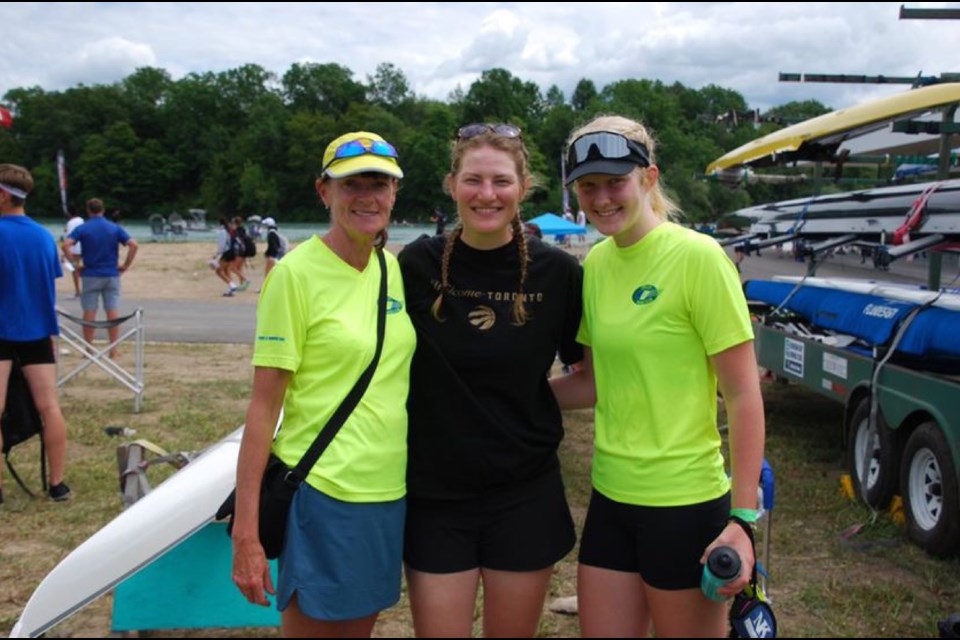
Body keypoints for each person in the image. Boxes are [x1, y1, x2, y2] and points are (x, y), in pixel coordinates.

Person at [550, 115, 765, 638]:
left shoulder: (698, 258)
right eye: (588, 186)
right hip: (611, 498)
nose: (601, 198)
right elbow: (594, 383)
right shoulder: (596, 266)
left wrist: (743, 520)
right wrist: (502, 398)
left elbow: (742, 394)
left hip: (685, 504)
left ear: (648, 178)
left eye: (615, 182)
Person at [398, 122, 584, 637]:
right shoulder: (415, 264)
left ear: (523, 188)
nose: (487, 194)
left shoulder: (558, 273)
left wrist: (527, 399)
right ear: (451, 184)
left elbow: (590, 378)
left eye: (501, 181)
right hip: (435, 494)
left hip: (524, 491)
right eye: (473, 180)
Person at [231, 131, 416, 638]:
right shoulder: (294, 275)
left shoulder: (392, 271)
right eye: (350, 184)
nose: (366, 197)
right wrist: (245, 532)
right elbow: (264, 408)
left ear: (395, 194)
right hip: (324, 490)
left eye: (379, 184)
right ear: (324, 192)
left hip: (388, 492)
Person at [0, 164, 72, 503]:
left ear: (3, 195)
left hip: (2, 331)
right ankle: (57, 483)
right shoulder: (44, 236)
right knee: (49, 407)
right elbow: (48, 280)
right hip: (39, 332)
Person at [63, 198, 138, 359]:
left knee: (89, 311)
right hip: (111, 273)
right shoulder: (114, 228)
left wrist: (75, 266)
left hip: (90, 273)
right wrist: (125, 265)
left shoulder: (84, 228)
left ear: (88, 211)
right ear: (103, 210)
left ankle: (88, 348)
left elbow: (66, 245)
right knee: (112, 310)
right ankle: (113, 349)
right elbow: (133, 244)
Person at [63, 207, 84, 297]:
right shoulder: (81, 220)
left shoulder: (70, 223)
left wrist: (65, 252)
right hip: (83, 246)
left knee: (74, 269)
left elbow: (70, 237)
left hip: (75, 248)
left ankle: (78, 291)